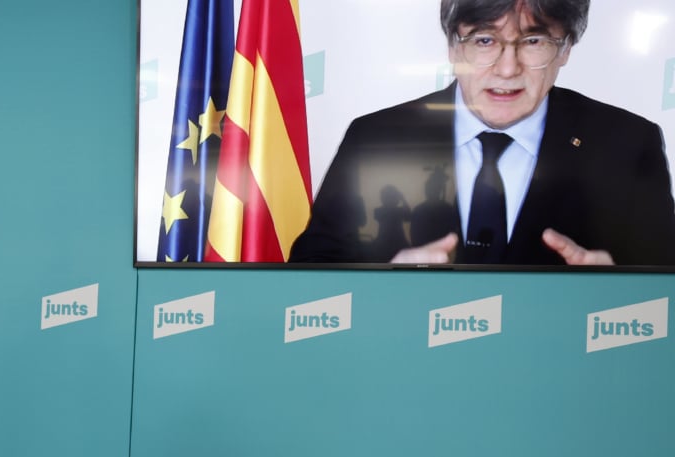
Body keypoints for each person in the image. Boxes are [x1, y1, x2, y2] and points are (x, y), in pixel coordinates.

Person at [289, 0, 675, 266]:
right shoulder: (374, 139)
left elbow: (664, 290)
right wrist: (383, 283)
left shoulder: (628, 144)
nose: (508, 69)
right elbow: (310, 274)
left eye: (534, 41)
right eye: (485, 40)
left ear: (566, 49)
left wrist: (627, 284)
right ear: (454, 47)